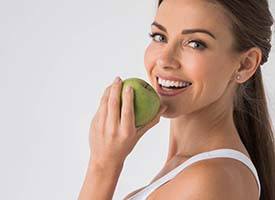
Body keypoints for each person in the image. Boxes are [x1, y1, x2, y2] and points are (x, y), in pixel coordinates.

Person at [78, 0, 275, 199]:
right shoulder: (193, 170)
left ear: (245, 64)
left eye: (195, 44)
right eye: (160, 37)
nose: (164, 60)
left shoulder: (210, 179)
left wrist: (102, 166)